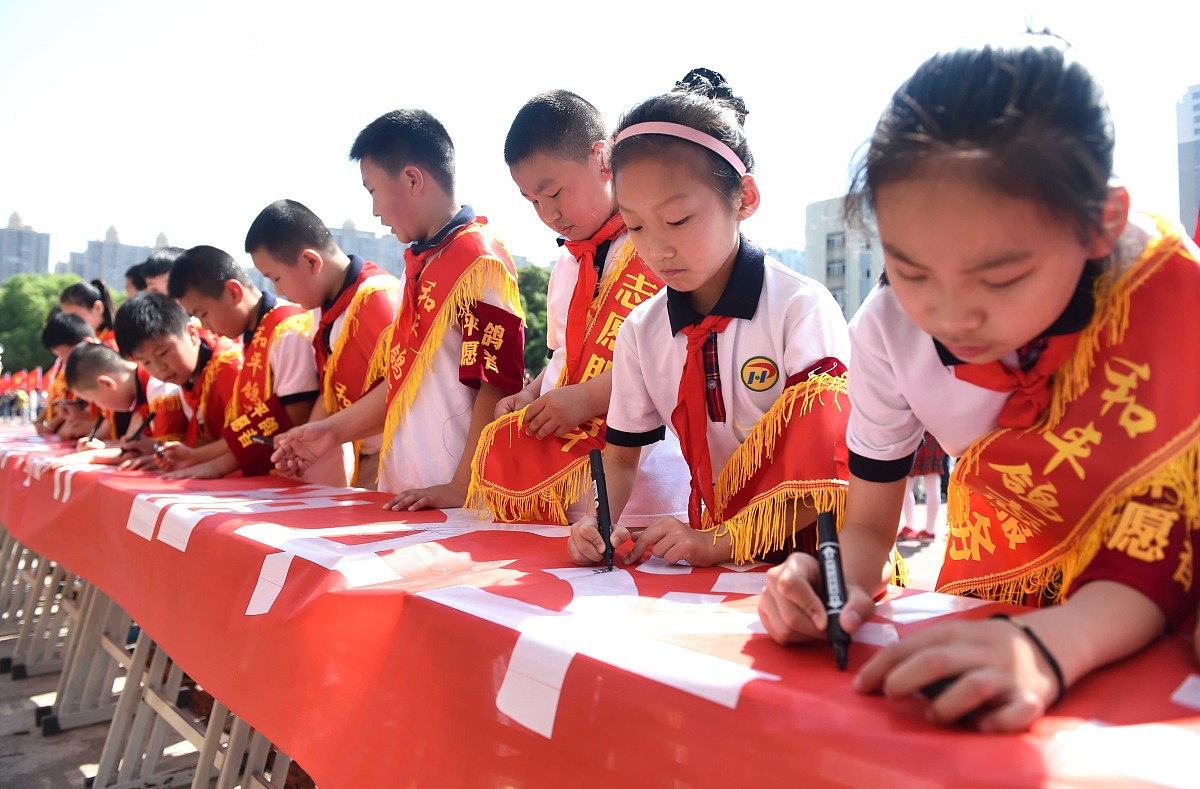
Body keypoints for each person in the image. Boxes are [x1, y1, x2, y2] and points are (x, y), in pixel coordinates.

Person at [758, 41, 1200, 731]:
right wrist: (828, 578)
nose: (951, 316)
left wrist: (1056, 645)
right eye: (911, 270)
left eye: (1000, 279)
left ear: (1102, 223)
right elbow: (872, 527)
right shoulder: (884, 334)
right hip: (1009, 600)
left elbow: (1167, 528)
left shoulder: (1174, 301)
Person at [568, 69, 851, 568]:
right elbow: (619, 457)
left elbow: (824, 475)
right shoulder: (642, 331)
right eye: (634, 225)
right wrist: (596, 520)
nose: (656, 247)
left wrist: (718, 542)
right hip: (715, 559)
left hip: (822, 561)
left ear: (744, 198)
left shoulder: (798, 308)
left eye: (678, 219)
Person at [272, 110, 525, 508]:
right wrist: (329, 432)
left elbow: (496, 383)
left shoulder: (478, 258)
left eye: (372, 190)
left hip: (455, 500)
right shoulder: (423, 264)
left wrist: (461, 487)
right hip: (413, 490)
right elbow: (402, 384)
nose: (374, 210)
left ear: (411, 179)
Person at [467, 89, 688, 526]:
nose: (548, 213)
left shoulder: (662, 246)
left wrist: (587, 397)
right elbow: (561, 358)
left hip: (650, 490)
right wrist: (531, 396)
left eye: (555, 192)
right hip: (565, 488)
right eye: (532, 201)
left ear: (603, 159)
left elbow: (677, 356)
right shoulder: (567, 263)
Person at [247, 199, 402, 488]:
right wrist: (307, 438)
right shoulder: (324, 308)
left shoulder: (376, 298)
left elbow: (403, 387)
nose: (279, 291)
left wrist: (326, 432)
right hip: (368, 459)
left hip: (398, 462)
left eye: (277, 278)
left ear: (310, 261)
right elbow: (332, 391)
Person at [166, 244, 319, 479]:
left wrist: (218, 466)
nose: (205, 327)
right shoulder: (253, 335)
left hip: (310, 478)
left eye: (203, 314)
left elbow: (293, 418)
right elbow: (254, 424)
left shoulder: (288, 329)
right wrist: (198, 456)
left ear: (233, 292)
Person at [114, 293, 242, 458]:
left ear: (191, 334)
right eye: (145, 362)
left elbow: (249, 438)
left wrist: (193, 459)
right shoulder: (188, 376)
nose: (159, 368)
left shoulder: (230, 368)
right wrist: (159, 450)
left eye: (163, 353)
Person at [62, 341, 188, 466]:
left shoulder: (160, 388)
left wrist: (91, 456)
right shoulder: (139, 390)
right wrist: (104, 446)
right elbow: (135, 445)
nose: (101, 407)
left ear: (107, 383)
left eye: (94, 401)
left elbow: (165, 452)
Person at [37, 311, 97, 439]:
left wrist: (91, 425)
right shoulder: (80, 368)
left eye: (66, 357)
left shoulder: (105, 368)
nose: (64, 363)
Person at [897, 431, 947, 540]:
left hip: (916, 437)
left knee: (908, 486)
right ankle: (926, 529)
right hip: (927, 437)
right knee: (928, 486)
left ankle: (921, 528)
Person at [60, 280, 118, 348]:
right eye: (66, 319)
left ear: (98, 308)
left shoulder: (120, 339)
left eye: (75, 318)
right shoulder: (77, 340)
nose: (69, 324)